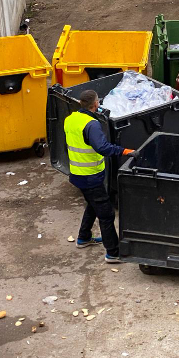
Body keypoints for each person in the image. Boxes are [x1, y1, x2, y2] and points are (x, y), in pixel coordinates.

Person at [63, 89, 133, 263]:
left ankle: (83, 238)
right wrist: (124, 151)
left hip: (78, 173)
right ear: (95, 104)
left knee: (93, 205)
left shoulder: (70, 119)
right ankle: (113, 253)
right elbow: (102, 147)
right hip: (91, 176)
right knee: (106, 214)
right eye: (98, 102)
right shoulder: (91, 125)